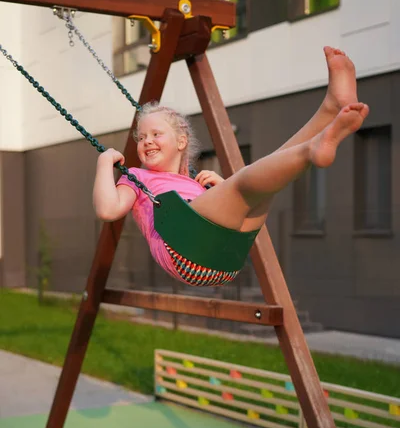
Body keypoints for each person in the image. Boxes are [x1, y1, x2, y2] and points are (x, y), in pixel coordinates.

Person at [93, 46, 369, 286]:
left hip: (226, 256)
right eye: (141, 138)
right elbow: (108, 209)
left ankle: (329, 110)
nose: (146, 142)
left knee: (265, 182)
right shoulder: (137, 178)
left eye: (155, 134)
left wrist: (220, 188)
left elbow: (229, 213)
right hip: (183, 249)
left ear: (181, 142)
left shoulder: (193, 183)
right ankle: (313, 147)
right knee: (245, 181)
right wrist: (105, 163)